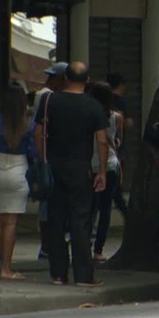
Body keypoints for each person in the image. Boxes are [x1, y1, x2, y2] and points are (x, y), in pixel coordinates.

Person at [34, 62, 108, 286]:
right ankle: (84, 274)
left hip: (55, 165)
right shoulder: (93, 106)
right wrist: (102, 171)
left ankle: (58, 273)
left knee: (55, 219)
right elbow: (102, 141)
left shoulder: (50, 101)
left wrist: (44, 159)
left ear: (65, 77)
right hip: (80, 166)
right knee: (80, 221)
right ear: (87, 80)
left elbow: (38, 132)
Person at [0, 82, 37, 281]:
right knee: (11, 222)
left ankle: (1, 265)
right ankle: (7, 267)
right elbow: (33, 152)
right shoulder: (28, 124)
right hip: (18, 167)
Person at [87, 81, 126, 262]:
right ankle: (98, 250)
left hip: (89, 164)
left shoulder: (86, 116)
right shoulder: (116, 117)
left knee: (89, 207)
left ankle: (84, 244)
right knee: (105, 209)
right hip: (109, 163)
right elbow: (118, 141)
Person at [33, 62, 68, 260]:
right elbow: (38, 128)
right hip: (48, 155)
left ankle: (51, 243)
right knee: (47, 201)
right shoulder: (45, 96)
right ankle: (47, 244)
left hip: (53, 154)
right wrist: (41, 156)